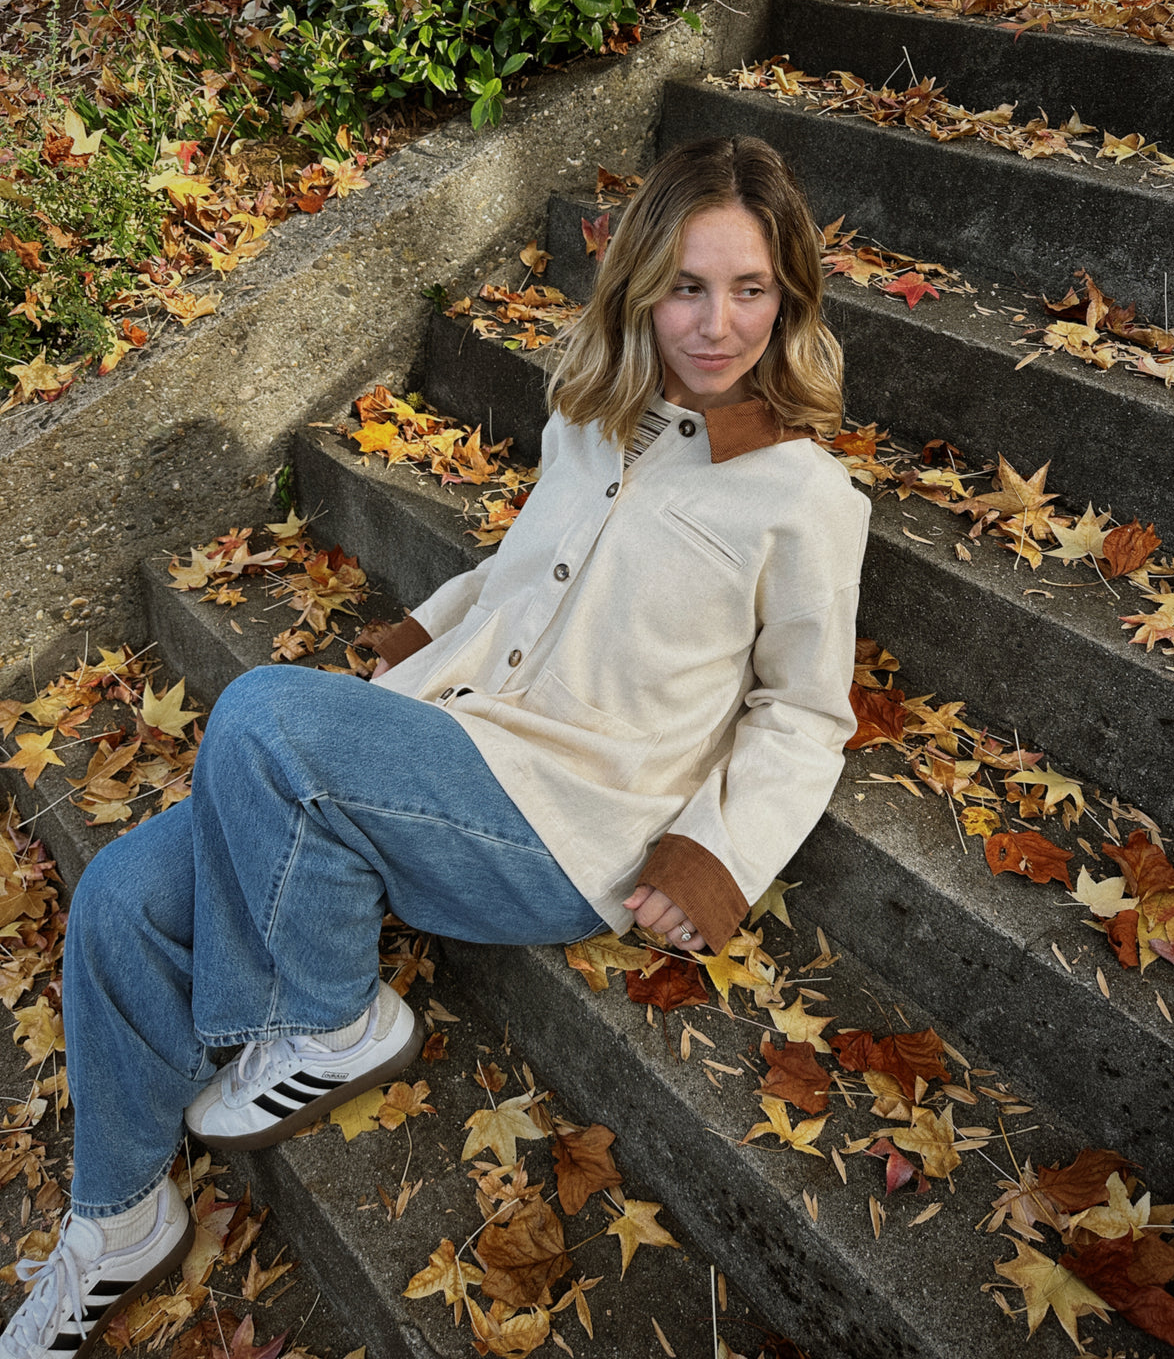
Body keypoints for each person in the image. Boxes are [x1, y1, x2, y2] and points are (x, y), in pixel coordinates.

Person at [0, 134, 869, 1359]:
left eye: (749, 288)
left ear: (790, 298)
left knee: (264, 719)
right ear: (639, 285)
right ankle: (120, 1216)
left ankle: (327, 1019)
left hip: (571, 821)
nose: (716, 322)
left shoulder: (805, 498)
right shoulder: (594, 421)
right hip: (459, 745)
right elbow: (527, 571)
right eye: (686, 285)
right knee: (118, 899)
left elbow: (805, 711)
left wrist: (714, 854)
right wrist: (427, 628)